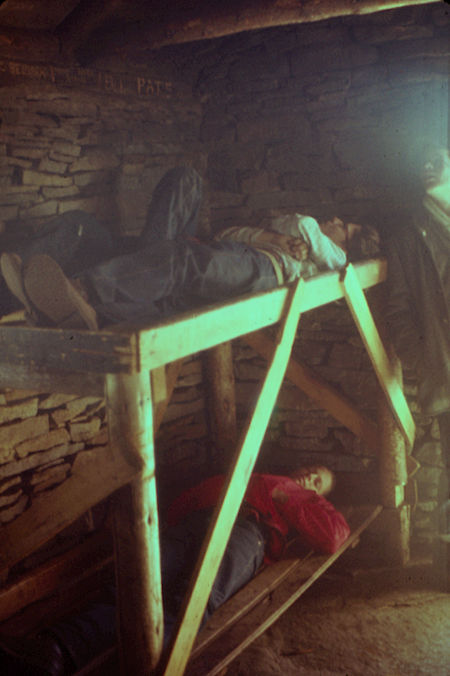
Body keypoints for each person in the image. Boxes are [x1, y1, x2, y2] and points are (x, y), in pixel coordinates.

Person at [0, 465, 350, 676]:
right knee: (136, 584)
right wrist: (177, 523)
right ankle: (58, 650)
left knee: (191, 598)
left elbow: (334, 536)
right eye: (310, 469)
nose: (310, 477)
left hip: (246, 532)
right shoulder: (258, 475)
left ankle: (148, 669)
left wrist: (289, 500)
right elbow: (196, 496)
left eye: (319, 480)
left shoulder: (306, 500)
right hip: (198, 523)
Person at [0, 167, 378, 330]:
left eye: (346, 228)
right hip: (196, 254)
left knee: (180, 261)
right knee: (84, 225)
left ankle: (81, 292)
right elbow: (231, 234)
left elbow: (307, 224)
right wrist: (271, 239)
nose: (337, 223)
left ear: (347, 247)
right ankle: (21, 281)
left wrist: (280, 242)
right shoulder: (291, 241)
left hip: (258, 272)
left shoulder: (335, 263)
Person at [385, 144, 450, 544]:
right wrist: (424, 359)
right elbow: (398, 310)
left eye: (436, 157)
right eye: (420, 160)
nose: (427, 166)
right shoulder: (408, 234)